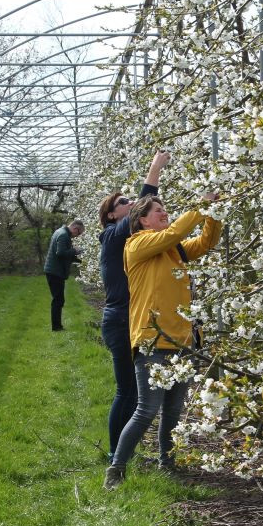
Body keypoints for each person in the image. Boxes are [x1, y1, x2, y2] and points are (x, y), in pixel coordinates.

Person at [104, 191, 221, 488]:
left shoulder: (174, 250)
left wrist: (213, 214)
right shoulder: (137, 245)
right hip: (152, 339)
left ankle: (166, 463)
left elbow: (206, 243)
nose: (164, 213)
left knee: (173, 410)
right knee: (147, 409)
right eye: (158, 210)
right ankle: (116, 469)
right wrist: (199, 206)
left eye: (165, 209)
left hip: (182, 340)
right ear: (142, 220)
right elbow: (174, 232)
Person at [96, 151, 170, 462]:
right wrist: (154, 169)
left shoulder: (127, 238)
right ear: (112, 215)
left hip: (127, 319)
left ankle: (123, 452)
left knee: (133, 393)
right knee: (127, 391)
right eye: (122, 203)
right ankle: (117, 454)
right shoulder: (114, 235)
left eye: (128, 201)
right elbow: (143, 202)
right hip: (121, 321)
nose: (129, 204)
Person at [43, 218, 84, 331]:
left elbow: (64, 253)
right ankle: (56, 327)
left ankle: (57, 326)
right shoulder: (63, 235)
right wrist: (75, 251)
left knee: (58, 299)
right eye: (78, 233)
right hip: (55, 271)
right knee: (58, 300)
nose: (77, 236)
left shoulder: (60, 231)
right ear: (75, 228)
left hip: (54, 270)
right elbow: (60, 253)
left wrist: (79, 260)